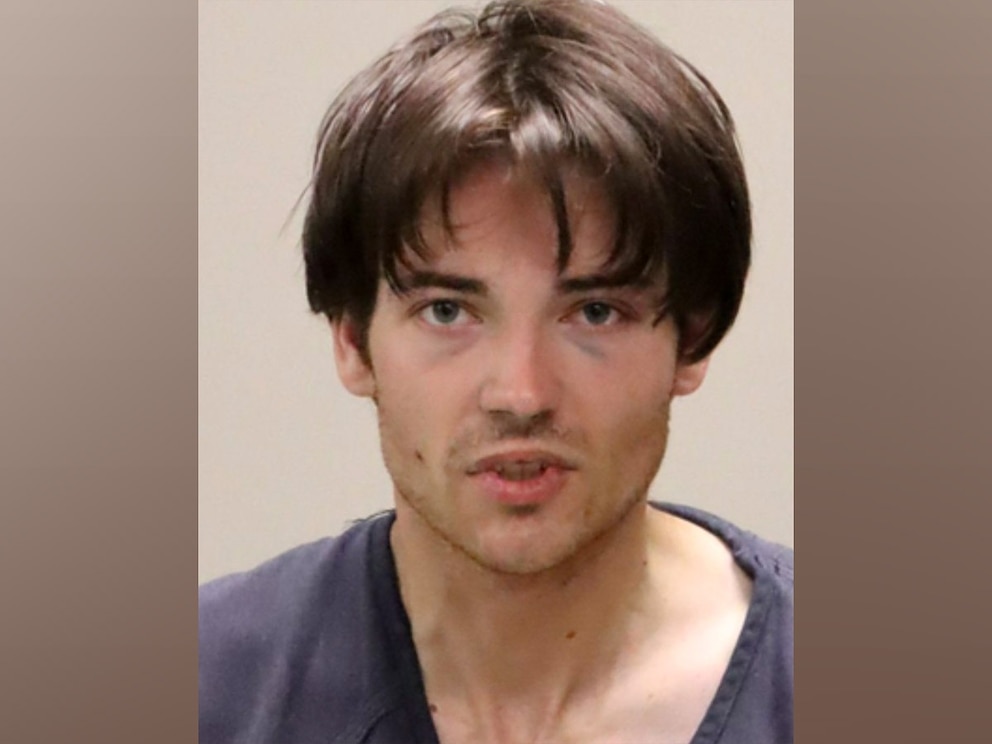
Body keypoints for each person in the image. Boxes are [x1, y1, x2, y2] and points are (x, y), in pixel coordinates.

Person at [198, 0, 793, 742]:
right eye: (448, 311)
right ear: (352, 340)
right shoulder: (208, 688)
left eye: (595, 312)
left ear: (693, 341)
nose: (521, 394)